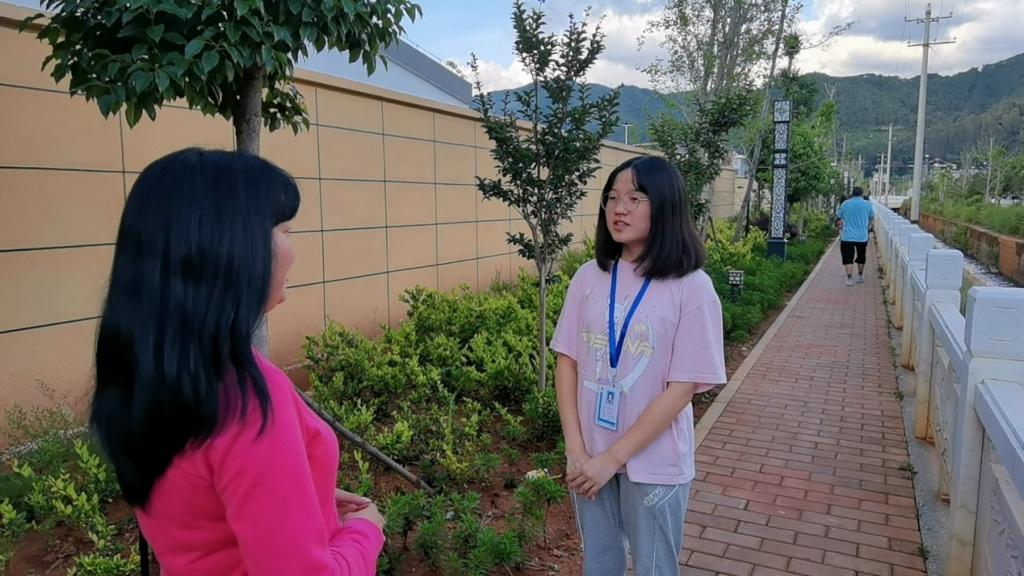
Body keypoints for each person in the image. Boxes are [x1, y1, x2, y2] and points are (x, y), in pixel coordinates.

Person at [91, 148, 385, 575]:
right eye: (285, 230)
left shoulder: (152, 370)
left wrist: (305, 497)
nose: (293, 250)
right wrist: (364, 533)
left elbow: (198, 503)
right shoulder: (246, 399)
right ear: (234, 250)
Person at [551, 156, 727, 576]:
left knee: (654, 568)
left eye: (634, 199)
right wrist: (576, 449)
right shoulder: (589, 277)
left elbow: (681, 390)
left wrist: (613, 459)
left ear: (664, 206)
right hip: (589, 456)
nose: (619, 209)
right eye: (612, 198)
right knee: (600, 564)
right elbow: (567, 360)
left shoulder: (692, 287)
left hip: (654, 464)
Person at [835, 186, 875, 285]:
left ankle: (849, 279)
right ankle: (860, 276)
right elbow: (872, 218)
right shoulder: (868, 204)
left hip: (847, 236)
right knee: (861, 256)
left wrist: (841, 224)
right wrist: (869, 227)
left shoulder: (845, 204)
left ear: (852, 194)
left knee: (848, 258)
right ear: (862, 194)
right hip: (862, 236)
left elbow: (839, 216)